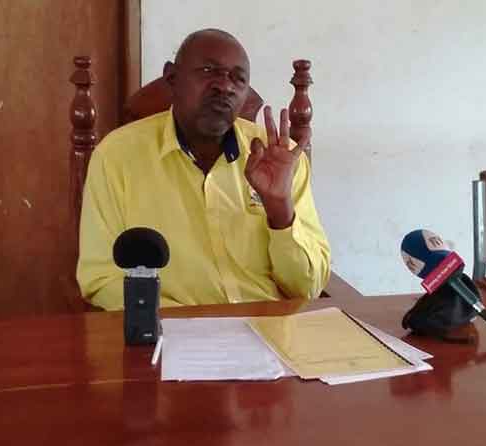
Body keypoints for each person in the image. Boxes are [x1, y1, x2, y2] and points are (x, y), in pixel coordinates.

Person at [77, 29, 330, 309]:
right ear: (172, 78)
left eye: (238, 78)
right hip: (170, 328)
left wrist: (280, 209)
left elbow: (308, 288)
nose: (225, 86)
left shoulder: (280, 159)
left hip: (272, 326)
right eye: (209, 70)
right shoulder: (117, 157)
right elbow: (101, 278)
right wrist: (186, 324)